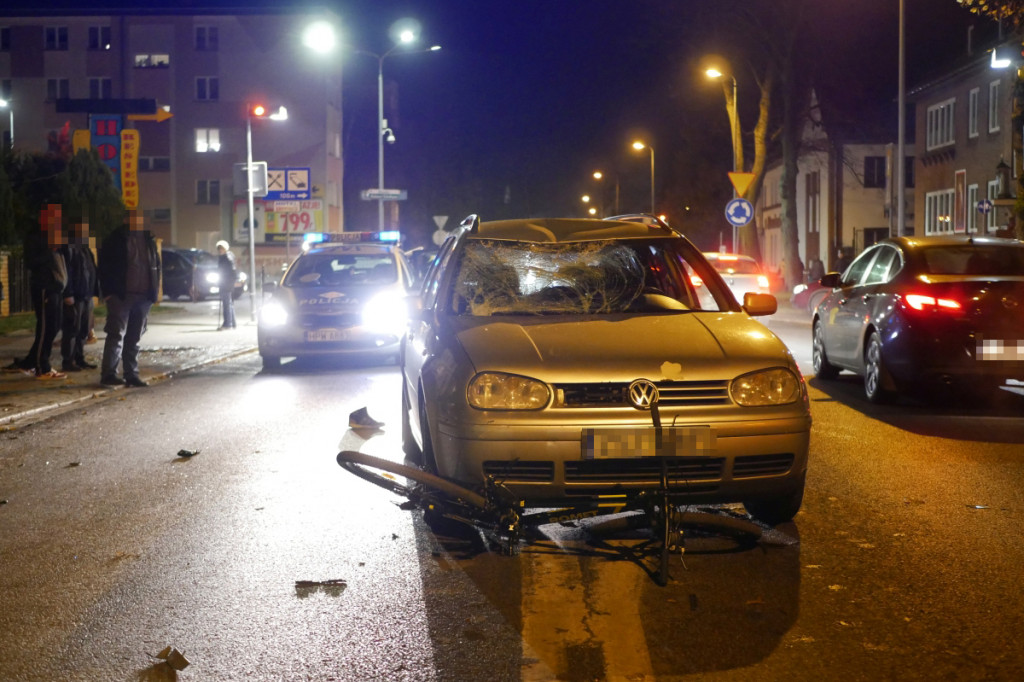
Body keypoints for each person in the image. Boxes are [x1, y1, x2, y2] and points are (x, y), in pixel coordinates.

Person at [4, 204, 71, 379]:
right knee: (45, 327)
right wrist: (50, 250)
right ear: (44, 218)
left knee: (54, 326)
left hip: (56, 287)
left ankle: (31, 362)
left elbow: (64, 261)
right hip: (43, 287)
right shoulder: (36, 237)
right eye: (53, 217)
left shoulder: (57, 237)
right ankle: (42, 367)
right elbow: (31, 262)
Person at [97, 209, 161, 388]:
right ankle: (108, 374)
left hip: (143, 297)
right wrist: (109, 292)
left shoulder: (149, 240)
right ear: (126, 220)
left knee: (134, 336)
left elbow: (156, 266)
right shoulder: (115, 239)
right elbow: (104, 266)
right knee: (116, 334)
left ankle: (131, 374)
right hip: (121, 296)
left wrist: (153, 292)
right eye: (133, 218)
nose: (137, 222)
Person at [59, 216, 100, 372]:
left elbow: (91, 270)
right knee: (72, 329)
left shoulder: (84, 248)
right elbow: (67, 271)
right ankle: (68, 361)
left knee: (84, 329)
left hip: (86, 295)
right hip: (75, 295)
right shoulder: (69, 247)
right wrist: (68, 293)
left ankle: (79, 358)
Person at [215, 240, 236, 330]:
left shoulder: (226, 258)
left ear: (225, 249)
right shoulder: (225, 257)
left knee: (226, 304)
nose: (220, 250)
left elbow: (231, 272)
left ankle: (228, 324)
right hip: (226, 283)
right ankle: (232, 323)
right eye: (219, 248)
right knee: (229, 304)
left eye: (222, 248)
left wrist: (227, 282)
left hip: (226, 284)